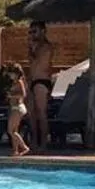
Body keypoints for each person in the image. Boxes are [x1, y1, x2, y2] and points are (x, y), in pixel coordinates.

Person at [25, 21, 55, 149]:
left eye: (35, 31)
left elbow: (39, 61)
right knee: (31, 113)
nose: (32, 35)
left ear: (43, 31)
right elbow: (31, 64)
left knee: (41, 113)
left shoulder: (46, 46)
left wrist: (33, 49)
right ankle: (34, 140)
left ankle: (43, 142)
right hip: (32, 81)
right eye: (30, 32)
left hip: (42, 81)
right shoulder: (33, 47)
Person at [3, 65, 31, 157]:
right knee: (15, 130)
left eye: (11, 73)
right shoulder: (14, 83)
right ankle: (15, 151)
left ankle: (24, 147)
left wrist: (12, 96)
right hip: (14, 107)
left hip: (18, 108)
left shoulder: (19, 82)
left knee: (10, 130)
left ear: (16, 74)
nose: (10, 75)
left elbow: (23, 94)